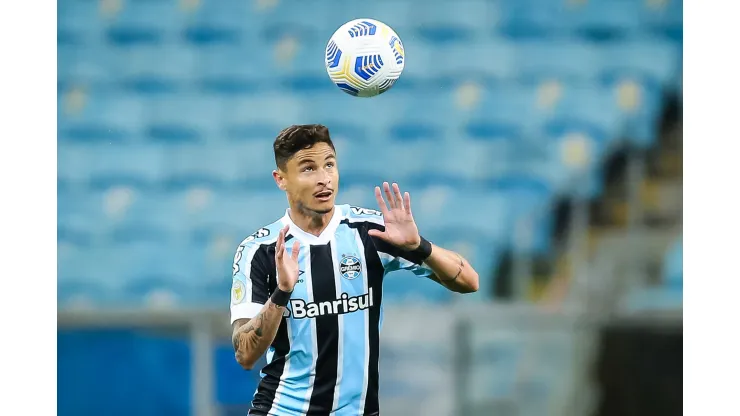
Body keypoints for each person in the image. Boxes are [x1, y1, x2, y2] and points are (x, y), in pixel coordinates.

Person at [230, 124, 480, 416]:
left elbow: (469, 281)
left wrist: (419, 246)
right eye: (308, 169)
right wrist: (282, 292)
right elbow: (245, 354)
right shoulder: (261, 250)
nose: (324, 179)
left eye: (330, 165)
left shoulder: (370, 233)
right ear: (281, 179)